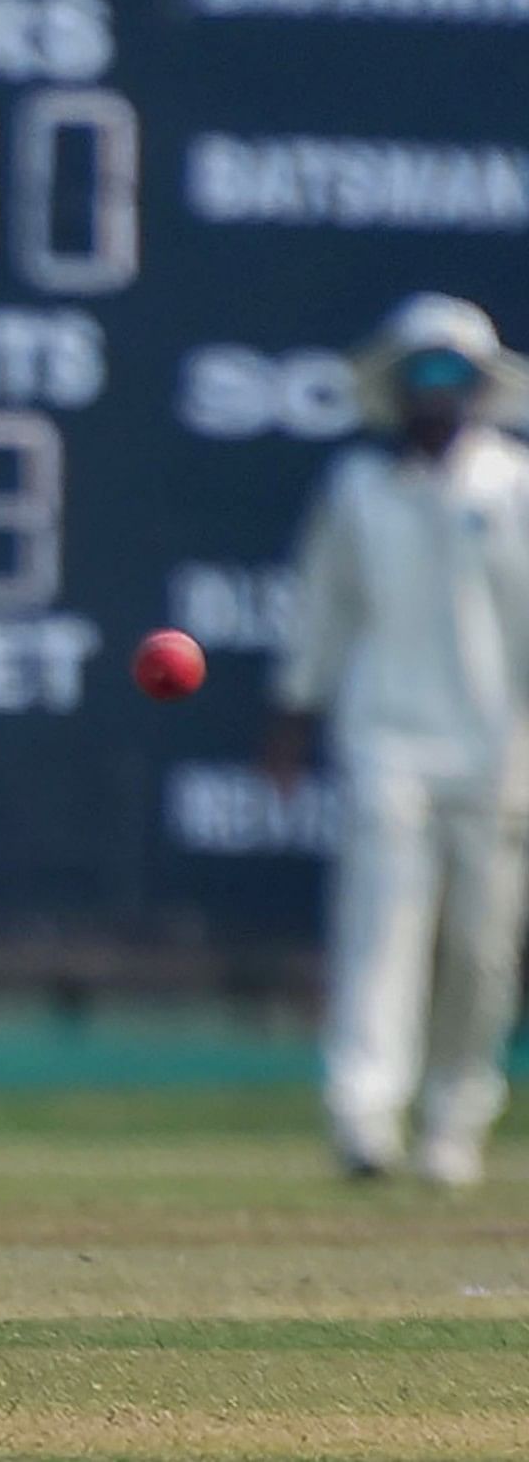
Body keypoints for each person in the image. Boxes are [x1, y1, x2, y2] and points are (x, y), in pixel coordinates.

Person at [263, 293, 529, 1187]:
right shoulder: (358, 489)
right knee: (382, 930)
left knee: (479, 951)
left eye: (455, 373)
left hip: (499, 750)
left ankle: (455, 1123)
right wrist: (294, 719)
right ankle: (364, 1118)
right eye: (424, 372)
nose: (438, 391)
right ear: (401, 384)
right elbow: (323, 615)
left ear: (481, 386)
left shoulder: (516, 485)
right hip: (386, 739)